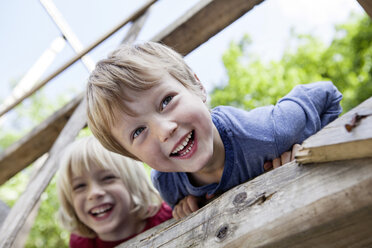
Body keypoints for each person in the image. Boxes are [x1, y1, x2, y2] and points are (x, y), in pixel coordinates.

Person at [85, 41, 343, 220]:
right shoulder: (169, 186)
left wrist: (311, 145)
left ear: (197, 86)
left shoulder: (270, 132)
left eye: (166, 101)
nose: (164, 130)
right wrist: (185, 206)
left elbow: (327, 95)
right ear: (135, 157)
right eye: (138, 131)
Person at [57, 136, 172, 248]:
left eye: (107, 178)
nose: (94, 193)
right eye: (80, 186)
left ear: (134, 182)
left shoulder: (170, 215)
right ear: (69, 201)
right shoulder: (81, 244)